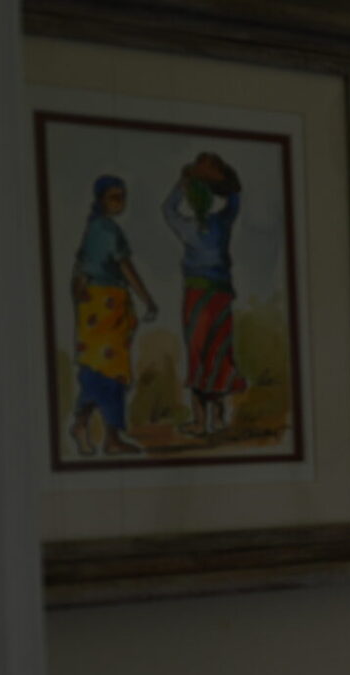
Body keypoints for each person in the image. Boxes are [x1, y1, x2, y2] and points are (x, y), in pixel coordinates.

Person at [68, 174, 157, 455]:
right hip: (104, 308)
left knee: (98, 372)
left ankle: (86, 426)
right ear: (101, 200)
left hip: (98, 309)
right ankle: (110, 438)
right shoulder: (106, 231)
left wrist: (79, 303)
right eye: (114, 197)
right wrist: (147, 299)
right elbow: (126, 269)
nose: (120, 202)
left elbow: (79, 273)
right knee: (110, 374)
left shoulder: (93, 229)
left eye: (123, 196)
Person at [161, 152, 247, 437]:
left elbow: (169, 210)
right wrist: (217, 179)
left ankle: (201, 421)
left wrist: (183, 182)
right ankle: (218, 419)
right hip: (219, 296)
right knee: (217, 353)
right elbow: (235, 199)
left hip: (199, 296)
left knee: (200, 353)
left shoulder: (190, 227)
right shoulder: (221, 224)